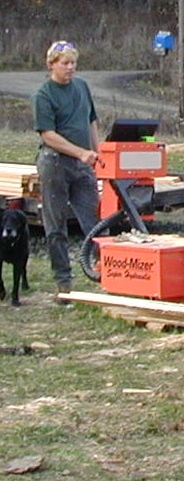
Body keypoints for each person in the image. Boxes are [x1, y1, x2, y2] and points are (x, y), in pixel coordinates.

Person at [32, 40, 101, 302]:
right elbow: (49, 135)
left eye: (73, 63)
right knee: (56, 224)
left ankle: (104, 273)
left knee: (93, 220)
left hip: (83, 164)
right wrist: (80, 152)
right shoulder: (44, 95)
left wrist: (97, 151)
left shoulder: (82, 87)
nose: (70, 68)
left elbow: (91, 120)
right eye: (65, 63)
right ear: (52, 65)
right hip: (55, 163)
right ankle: (64, 283)